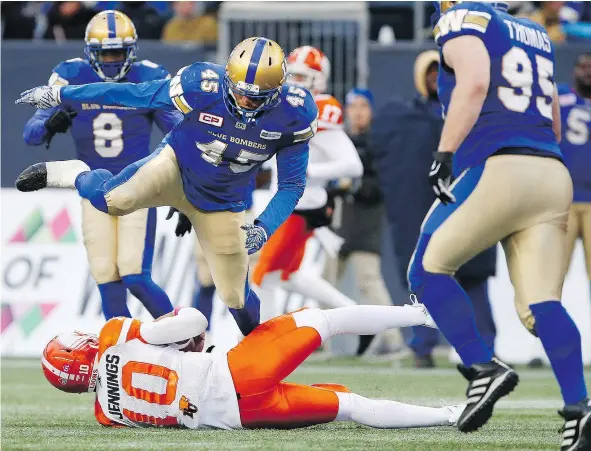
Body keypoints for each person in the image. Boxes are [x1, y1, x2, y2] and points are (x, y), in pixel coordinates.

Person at [15, 37, 318, 339]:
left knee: (235, 297)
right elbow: (134, 94)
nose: (244, 102)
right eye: (239, 92)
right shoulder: (201, 84)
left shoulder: (295, 113)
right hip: (174, 168)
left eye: (256, 97)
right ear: (228, 78)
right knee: (111, 199)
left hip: (223, 203)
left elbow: (291, 185)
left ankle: (260, 349)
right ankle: (72, 173)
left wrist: (264, 227)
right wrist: (62, 95)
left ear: (276, 91)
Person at [408, 1, 590, 445]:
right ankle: (579, 410)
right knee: (541, 304)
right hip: (551, 170)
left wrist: (444, 154)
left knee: (426, 271)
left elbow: (474, 84)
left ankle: (480, 366)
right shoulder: (534, 31)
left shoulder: (461, 17)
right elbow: (552, 118)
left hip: (497, 165)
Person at [40, 303, 466, 429]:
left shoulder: (107, 416)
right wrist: (183, 333)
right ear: (82, 347)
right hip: (235, 371)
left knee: (349, 403)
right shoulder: (114, 335)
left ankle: (451, 416)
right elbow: (195, 321)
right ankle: (425, 314)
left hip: (238, 416)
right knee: (326, 320)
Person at [23, 10, 179, 320]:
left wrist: (178, 185)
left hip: (138, 185)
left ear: (131, 51)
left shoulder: (149, 76)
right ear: (90, 52)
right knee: (107, 277)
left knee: (135, 276)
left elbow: (179, 133)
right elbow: (31, 134)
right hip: (93, 189)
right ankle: (119, 352)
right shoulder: (69, 75)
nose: (111, 60)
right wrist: (49, 123)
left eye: (118, 52)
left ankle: (186, 336)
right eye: (105, 52)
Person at [371, 50, 497, 368]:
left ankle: (485, 349)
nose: (435, 78)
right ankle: (422, 346)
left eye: (442, 71)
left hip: (468, 206)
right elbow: (390, 163)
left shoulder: (477, 110)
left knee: (473, 276)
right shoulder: (402, 116)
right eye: (429, 72)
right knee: (423, 275)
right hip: (420, 211)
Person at [251, 46, 364, 318]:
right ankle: (355, 313)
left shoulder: (320, 110)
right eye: (292, 76)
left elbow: (353, 165)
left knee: (262, 277)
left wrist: (307, 171)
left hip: (301, 206)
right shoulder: (284, 106)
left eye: (302, 77)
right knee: (286, 275)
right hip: (290, 203)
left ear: (318, 79)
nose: (294, 83)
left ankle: (261, 342)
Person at [335, 87, 399, 356]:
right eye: (353, 106)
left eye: (363, 106)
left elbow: (382, 183)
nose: (357, 112)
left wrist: (353, 186)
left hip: (366, 218)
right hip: (339, 221)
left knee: (369, 280)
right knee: (325, 280)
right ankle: (316, 341)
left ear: (371, 110)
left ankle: (392, 339)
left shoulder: (377, 141)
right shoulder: (341, 141)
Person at [559, 53, 591, 287]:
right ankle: (547, 323)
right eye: (583, 66)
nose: (588, 71)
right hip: (562, 200)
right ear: (574, 71)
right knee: (551, 278)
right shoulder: (558, 97)